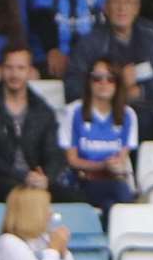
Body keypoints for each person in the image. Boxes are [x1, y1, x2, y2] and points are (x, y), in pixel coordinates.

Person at [64, 0, 153, 140]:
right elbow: (72, 88)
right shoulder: (89, 42)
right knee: (141, 120)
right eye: (116, 2)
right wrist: (116, 86)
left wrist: (141, 91)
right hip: (109, 116)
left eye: (128, 2)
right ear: (106, 8)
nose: (122, 8)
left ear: (137, 8)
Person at [0, 46, 69, 204]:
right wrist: (23, 176)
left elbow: (54, 153)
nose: (14, 74)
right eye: (9, 67)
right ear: (1, 69)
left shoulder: (43, 110)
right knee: (22, 193)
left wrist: (46, 178)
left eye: (21, 68)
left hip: (36, 181)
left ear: (30, 71)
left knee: (75, 199)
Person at [58, 57, 138, 214]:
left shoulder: (128, 115)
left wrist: (114, 166)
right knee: (120, 191)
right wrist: (101, 166)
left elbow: (121, 157)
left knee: (111, 206)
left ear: (118, 83)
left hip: (112, 180)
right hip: (81, 182)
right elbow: (71, 160)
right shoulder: (73, 112)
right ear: (89, 81)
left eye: (110, 79)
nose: (104, 83)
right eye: (97, 78)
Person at [0, 186, 80, 260]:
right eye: (45, 208)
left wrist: (64, 252)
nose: (50, 213)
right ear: (31, 212)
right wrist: (54, 249)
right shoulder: (8, 242)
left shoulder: (43, 238)